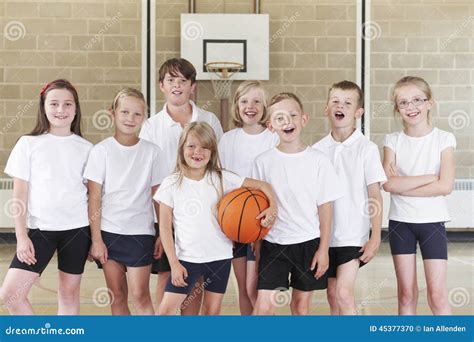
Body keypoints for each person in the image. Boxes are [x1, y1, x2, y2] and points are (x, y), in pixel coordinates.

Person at [155, 122, 277, 315]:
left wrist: (273, 207)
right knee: (166, 311)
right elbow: (164, 228)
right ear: (181, 149)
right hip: (187, 259)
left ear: (212, 152)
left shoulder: (222, 178)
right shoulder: (171, 183)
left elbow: (263, 186)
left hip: (219, 257)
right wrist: (174, 264)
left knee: (212, 311)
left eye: (205, 147)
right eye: (191, 146)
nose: (198, 152)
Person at [0, 79, 92, 315]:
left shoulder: (87, 148)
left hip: (78, 231)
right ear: (43, 107)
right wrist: (21, 237)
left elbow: (94, 197)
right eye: (54, 104)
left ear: (75, 108)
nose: (60, 110)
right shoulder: (28, 144)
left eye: (67, 104)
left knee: (69, 294)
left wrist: (96, 238)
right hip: (40, 231)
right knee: (11, 294)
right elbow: (19, 196)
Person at [139, 58, 223, 314]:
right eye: (171, 80)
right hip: (165, 216)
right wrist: (161, 226)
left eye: (183, 81)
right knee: (167, 276)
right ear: (161, 85)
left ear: (193, 86)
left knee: (195, 282)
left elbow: (217, 169)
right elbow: (150, 180)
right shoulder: (151, 127)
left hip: (202, 218)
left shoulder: (209, 120)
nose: (177, 85)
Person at [252, 93, 342, 315]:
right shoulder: (262, 161)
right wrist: (257, 245)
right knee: (264, 307)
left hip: (308, 244)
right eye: (280, 118)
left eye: (292, 115)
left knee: (301, 306)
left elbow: (326, 208)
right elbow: (257, 206)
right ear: (271, 125)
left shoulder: (319, 160)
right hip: (273, 244)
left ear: (304, 119)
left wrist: (323, 249)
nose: (287, 122)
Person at [85, 88, 166, 315]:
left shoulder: (153, 152)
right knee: (117, 295)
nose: (130, 119)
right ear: (113, 114)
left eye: (137, 114)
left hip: (140, 233)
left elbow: (159, 197)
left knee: (140, 295)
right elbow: (94, 197)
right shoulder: (101, 151)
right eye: (125, 112)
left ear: (144, 117)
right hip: (109, 233)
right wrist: (97, 239)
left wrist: (162, 233)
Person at [383, 76, 455, 315]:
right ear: (396, 108)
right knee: (406, 294)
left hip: (432, 223)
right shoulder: (392, 141)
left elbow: (445, 186)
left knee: (437, 294)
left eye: (417, 100)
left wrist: (403, 185)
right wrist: (429, 177)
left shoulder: (444, 139)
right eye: (403, 102)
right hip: (400, 223)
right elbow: (388, 185)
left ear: (429, 102)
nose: (410, 107)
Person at [313, 81, 386, 315]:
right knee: (333, 294)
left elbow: (375, 195)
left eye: (347, 102)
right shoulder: (316, 150)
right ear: (326, 108)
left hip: (353, 235)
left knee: (344, 293)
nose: (340, 106)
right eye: (335, 101)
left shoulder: (367, 148)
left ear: (358, 112)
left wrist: (375, 238)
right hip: (325, 237)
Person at [218, 80, 279, 315]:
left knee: (257, 290)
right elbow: (221, 179)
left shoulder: (273, 138)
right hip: (235, 222)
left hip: (264, 223)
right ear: (237, 105)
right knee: (243, 289)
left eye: (256, 101)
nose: (250, 106)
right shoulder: (227, 139)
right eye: (244, 101)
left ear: (265, 107)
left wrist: (269, 215)